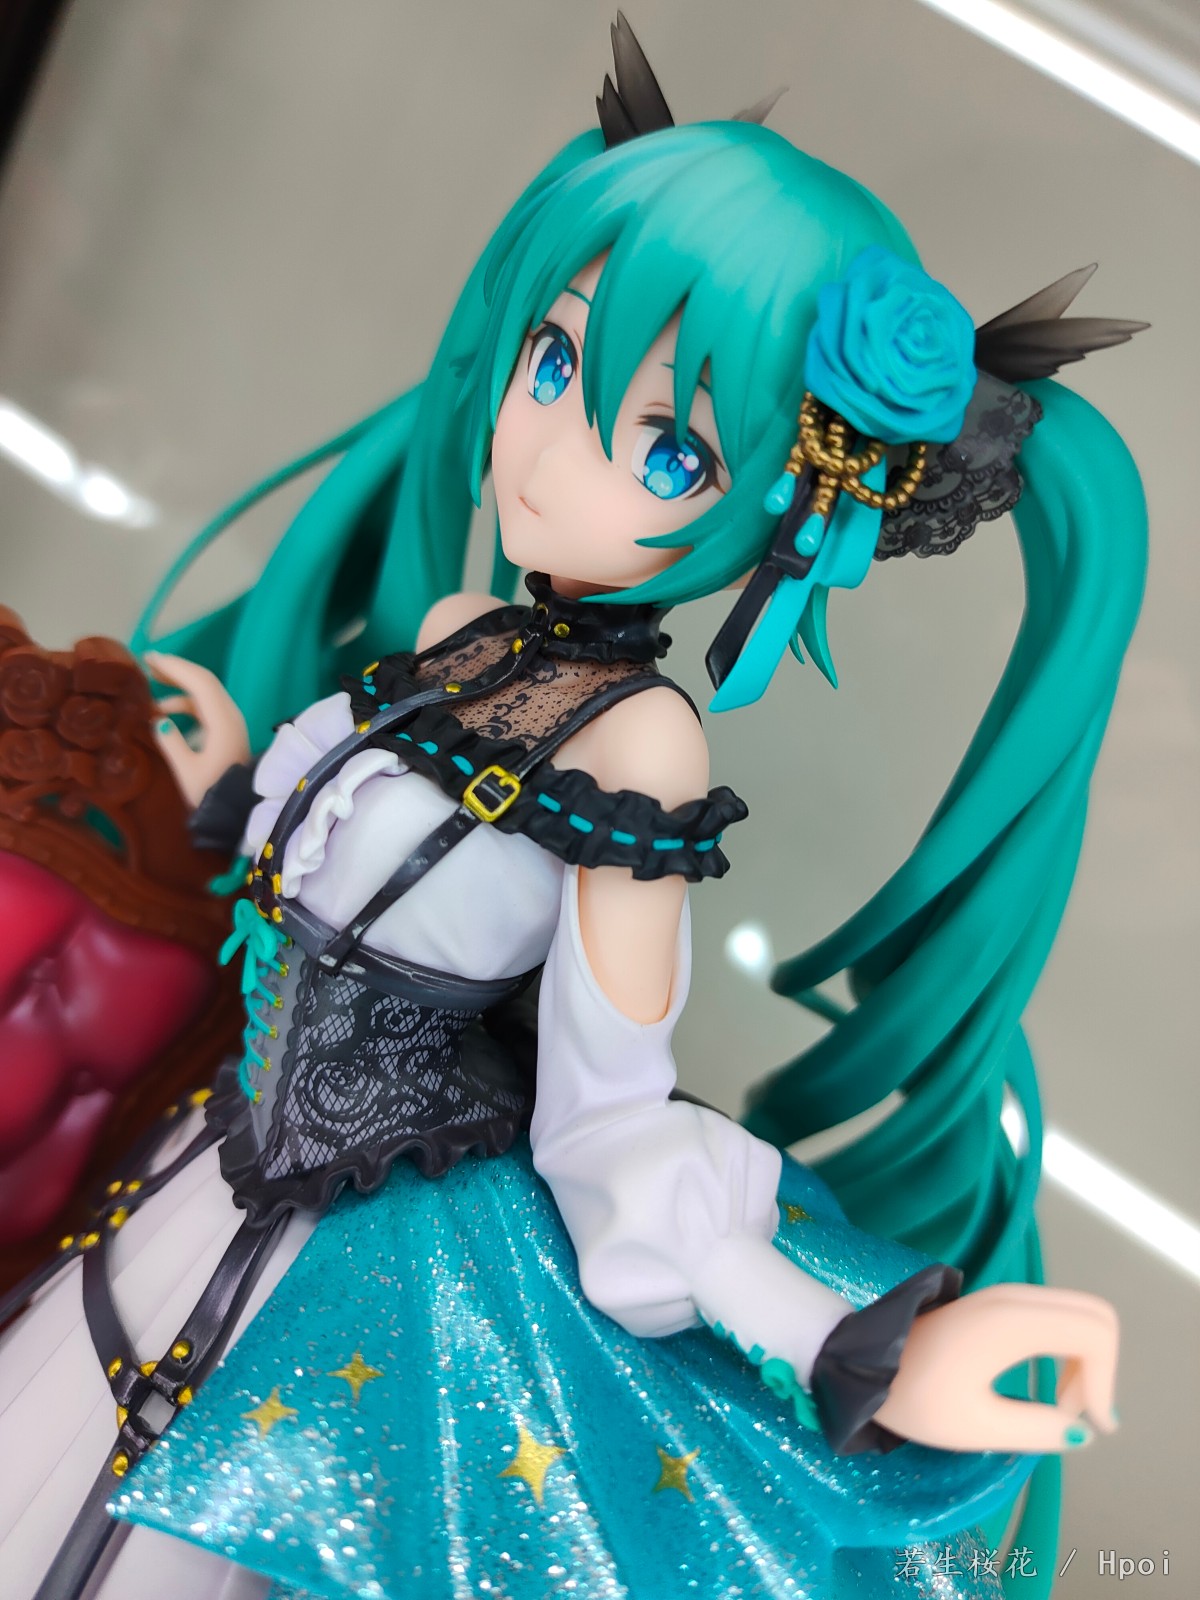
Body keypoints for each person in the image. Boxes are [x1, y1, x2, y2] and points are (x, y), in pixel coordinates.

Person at [0, 17, 1145, 1600]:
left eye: (670, 448)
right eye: (555, 362)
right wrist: (230, 798)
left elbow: (609, 1112)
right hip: (212, 1170)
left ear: (782, 507)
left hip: (360, 1258)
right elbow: (346, 869)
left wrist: (845, 1342)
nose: (551, 455)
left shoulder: (642, 744)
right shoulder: (471, 632)